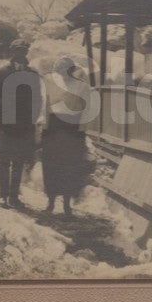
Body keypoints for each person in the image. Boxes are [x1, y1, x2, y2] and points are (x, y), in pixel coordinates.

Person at [0, 39, 43, 209]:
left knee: (18, 162)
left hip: (24, 126)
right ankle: (3, 196)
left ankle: (14, 197)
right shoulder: (2, 73)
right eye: (17, 51)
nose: (20, 55)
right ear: (12, 53)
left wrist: (32, 120)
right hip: (5, 125)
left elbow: (37, 99)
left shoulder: (33, 74)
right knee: (5, 162)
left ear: (26, 53)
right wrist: (0, 118)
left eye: (23, 51)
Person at [40, 56, 93, 216]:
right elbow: (45, 107)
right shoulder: (51, 85)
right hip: (54, 130)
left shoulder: (82, 87)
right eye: (60, 71)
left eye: (66, 70)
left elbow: (87, 111)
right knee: (51, 166)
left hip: (72, 130)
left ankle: (67, 204)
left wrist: (82, 131)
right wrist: (44, 129)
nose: (63, 74)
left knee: (70, 166)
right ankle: (50, 201)